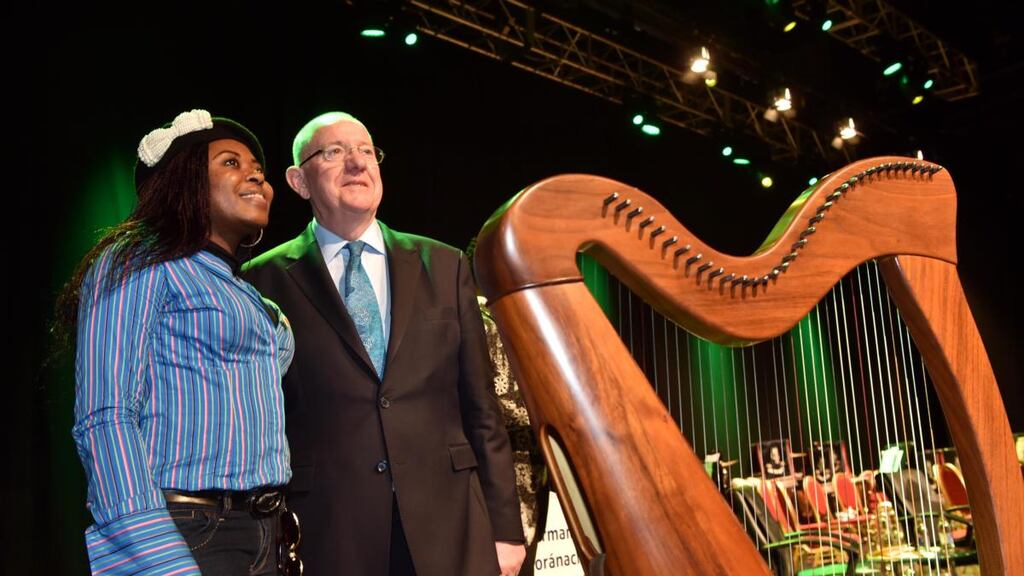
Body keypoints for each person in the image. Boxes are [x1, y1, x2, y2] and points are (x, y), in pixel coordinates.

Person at [244, 112, 525, 576]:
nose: (357, 163)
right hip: (331, 531)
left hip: (452, 526)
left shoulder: (445, 264)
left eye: (366, 150)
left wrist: (505, 529)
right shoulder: (263, 282)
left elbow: (482, 410)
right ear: (299, 181)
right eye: (334, 152)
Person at [55, 110, 300, 575]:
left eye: (258, 168)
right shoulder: (138, 260)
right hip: (189, 528)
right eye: (231, 162)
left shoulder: (246, 293)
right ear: (185, 180)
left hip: (264, 530)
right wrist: (154, 555)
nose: (256, 175)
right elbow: (104, 416)